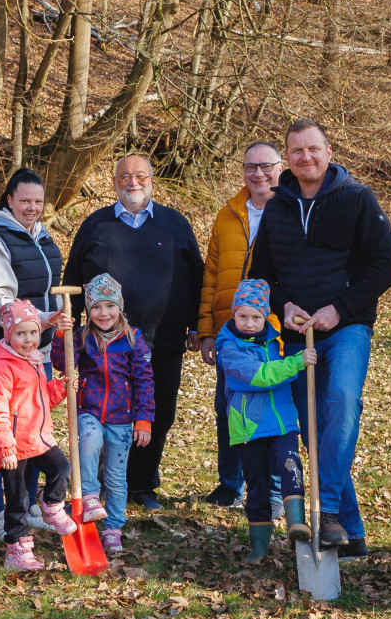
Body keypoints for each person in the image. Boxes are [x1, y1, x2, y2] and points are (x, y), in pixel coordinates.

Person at [247, 120, 391, 558]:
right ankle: (350, 531)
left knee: (341, 403)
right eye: (296, 152)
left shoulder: (357, 199)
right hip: (297, 335)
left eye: (313, 149)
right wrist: (283, 307)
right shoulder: (277, 207)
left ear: (328, 152)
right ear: (287, 161)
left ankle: (327, 510)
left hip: (347, 329)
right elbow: (262, 275)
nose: (305, 158)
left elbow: (387, 264)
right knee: (315, 430)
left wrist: (342, 307)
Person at [62, 154, 202, 510]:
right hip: (104, 345)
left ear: (152, 180)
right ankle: (101, 484)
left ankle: (141, 485)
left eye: (140, 175)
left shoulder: (174, 223)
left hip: (164, 339)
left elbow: (198, 279)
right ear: (114, 182)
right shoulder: (96, 225)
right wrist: (70, 335)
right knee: (104, 413)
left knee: (159, 413)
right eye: (124, 176)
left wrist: (199, 327)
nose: (132, 182)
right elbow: (73, 280)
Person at [0, 168, 67, 538]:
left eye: (38, 202)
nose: (32, 208)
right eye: (24, 200)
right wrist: (41, 319)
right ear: (8, 199)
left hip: (36, 348)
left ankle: (22, 506)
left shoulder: (41, 235)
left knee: (34, 423)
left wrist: (55, 316)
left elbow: (48, 286)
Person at [197, 142, 284, 511]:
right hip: (230, 334)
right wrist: (205, 331)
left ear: (281, 167)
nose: (258, 174)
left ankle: (274, 491)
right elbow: (211, 275)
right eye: (250, 166)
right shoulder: (227, 215)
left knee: (273, 414)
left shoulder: (293, 211)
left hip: (275, 333)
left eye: (266, 166)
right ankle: (229, 485)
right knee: (227, 409)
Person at [213, 280, 314, 564]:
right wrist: (296, 363)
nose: (249, 323)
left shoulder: (276, 339)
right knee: (256, 486)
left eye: (256, 316)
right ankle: (259, 548)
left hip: (282, 422)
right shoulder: (229, 348)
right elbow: (257, 377)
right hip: (250, 428)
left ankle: (296, 524)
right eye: (242, 316)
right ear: (233, 315)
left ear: (266, 316)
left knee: (290, 465)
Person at [55, 274, 153, 555]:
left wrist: (144, 419)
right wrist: (62, 335)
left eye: (109, 306)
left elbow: (145, 381)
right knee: (87, 440)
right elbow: (63, 362)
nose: (103, 313)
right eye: (96, 307)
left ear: (119, 307)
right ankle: (88, 496)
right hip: (90, 411)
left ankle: (113, 527)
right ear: (88, 310)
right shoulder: (83, 337)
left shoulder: (134, 341)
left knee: (116, 477)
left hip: (122, 419)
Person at [0, 301, 77, 570]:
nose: (28, 339)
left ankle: (51, 505)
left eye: (33, 332)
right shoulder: (2, 366)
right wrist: (4, 446)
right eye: (21, 333)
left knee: (61, 467)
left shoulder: (31, 360)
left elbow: (37, 399)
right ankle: (17, 550)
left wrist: (58, 388)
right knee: (18, 500)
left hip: (37, 437)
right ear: (9, 335)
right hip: (14, 445)